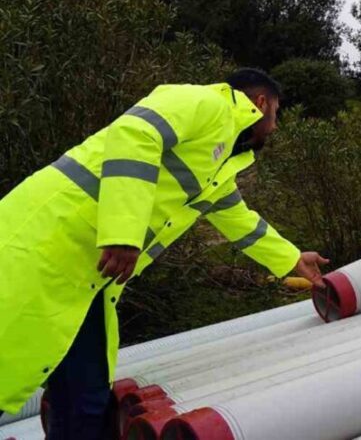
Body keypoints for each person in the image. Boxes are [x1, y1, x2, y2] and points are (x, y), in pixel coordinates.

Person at [0, 68, 330, 438]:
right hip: (43, 246)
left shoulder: (218, 164)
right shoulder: (205, 102)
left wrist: (292, 259)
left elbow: (239, 219)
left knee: (86, 397)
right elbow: (134, 133)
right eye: (277, 114)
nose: (275, 126)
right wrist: (124, 232)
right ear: (261, 102)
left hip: (85, 277)